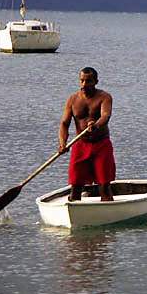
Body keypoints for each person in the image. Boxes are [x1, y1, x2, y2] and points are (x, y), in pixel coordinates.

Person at [59, 67, 116, 201]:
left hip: (101, 144)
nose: (84, 84)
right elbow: (64, 124)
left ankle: (108, 213)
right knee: (75, 186)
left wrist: (96, 125)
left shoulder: (104, 97)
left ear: (96, 81)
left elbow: (105, 116)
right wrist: (63, 143)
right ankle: (75, 211)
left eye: (88, 81)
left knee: (104, 186)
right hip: (80, 145)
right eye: (82, 81)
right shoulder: (73, 99)